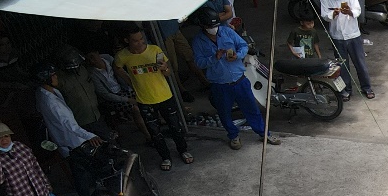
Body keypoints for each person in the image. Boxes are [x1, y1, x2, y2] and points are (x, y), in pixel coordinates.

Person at [191, 9, 279, 152]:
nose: (214, 29)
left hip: (239, 80)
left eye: (215, 26)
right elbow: (199, 63)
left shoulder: (226, 31)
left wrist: (238, 55)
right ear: (203, 26)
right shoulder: (198, 41)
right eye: (210, 27)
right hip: (220, 85)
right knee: (224, 113)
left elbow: (243, 45)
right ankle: (233, 136)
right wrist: (215, 57)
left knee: (252, 109)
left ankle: (264, 133)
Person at [114, 26, 192, 171]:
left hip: (165, 96)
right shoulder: (122, 56)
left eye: (141, 39)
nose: (140, 43)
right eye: (135, 41)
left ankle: (183, 150)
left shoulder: (155, 50)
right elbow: (117, 68)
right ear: (127, 41)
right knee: (155, 132)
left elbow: (168, 72)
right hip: (144, 100)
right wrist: (129, 80)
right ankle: (165, 157)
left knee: (175, 126)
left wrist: (165, 69)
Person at [35, 62, 104, 196]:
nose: (56, 77)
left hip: (68, 140)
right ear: (46, 78)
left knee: (82, 172)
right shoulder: (52, 103)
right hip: (72, 143)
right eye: (53, 75)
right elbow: (69, 125)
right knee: (83, 173)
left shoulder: (43, 93)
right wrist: (90, 136)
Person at [320, 0, 376, 102]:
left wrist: (349, 12)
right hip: (337, 36)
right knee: (342, 66)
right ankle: (347, 90)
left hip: (353, 35)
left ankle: (367, 88)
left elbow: (358, 10)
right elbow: (324, 15)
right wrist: (333, 14)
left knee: (360, 64)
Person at [54, 46, 115, 142]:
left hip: (97, 115)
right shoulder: (58, 80)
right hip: (81, 122)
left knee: (110, 142)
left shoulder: (83, 70)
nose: (75, 69)